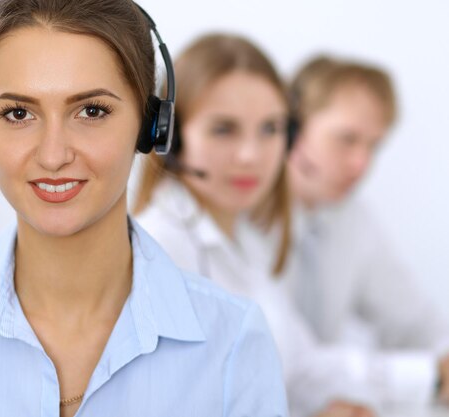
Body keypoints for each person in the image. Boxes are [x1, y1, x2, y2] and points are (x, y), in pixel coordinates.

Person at [0, 1, 288, 416]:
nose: (52, 154)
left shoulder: (233, 343)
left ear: (151, 128)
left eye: (91, 111)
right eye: (18, 114)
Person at [133, 33, 378, 417]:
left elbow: (302, 367)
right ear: (173, 139)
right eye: (224, 129)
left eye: (270, 129)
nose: (250, 155)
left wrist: (430, 375)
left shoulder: (247, 239)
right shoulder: (157, 249)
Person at [284, 55, 449, 407]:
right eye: (347, 139)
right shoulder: (240, 218)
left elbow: (416, 321)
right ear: (292, 129)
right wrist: (429, 376)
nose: (362, 164)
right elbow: (290, 362)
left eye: (374, 145)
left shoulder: (353, 218)